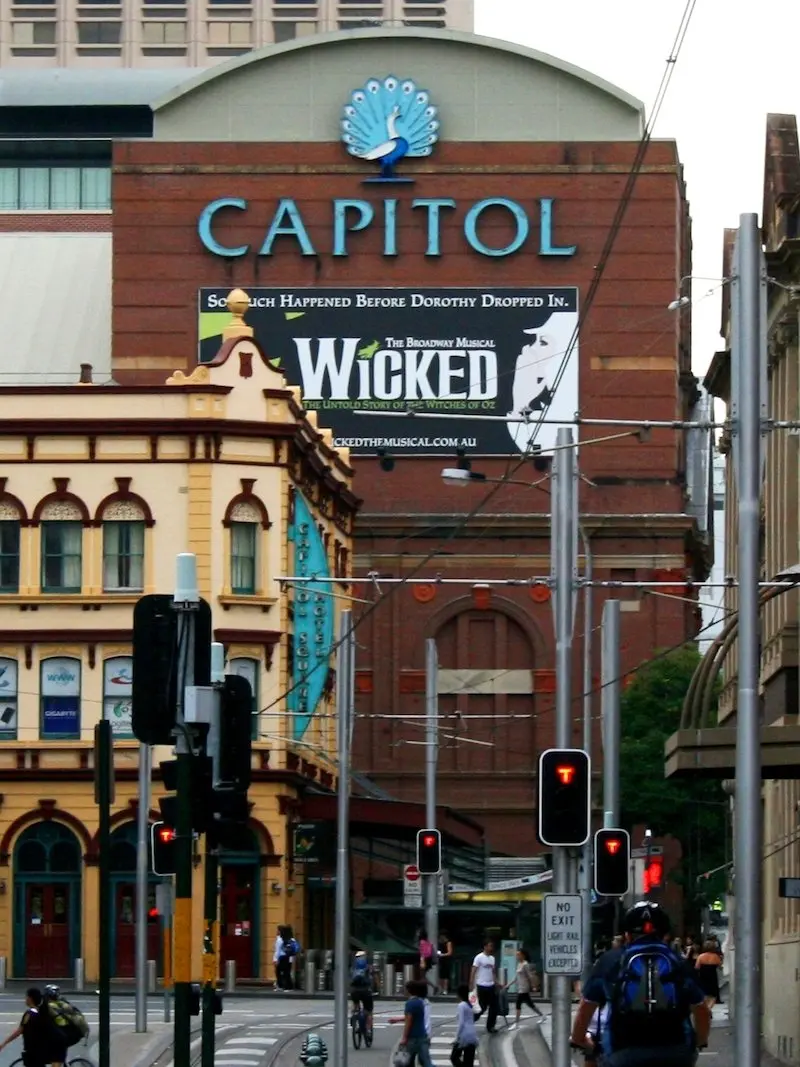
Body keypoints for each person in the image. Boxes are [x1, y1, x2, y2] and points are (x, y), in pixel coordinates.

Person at [570, 901, 711, 1066]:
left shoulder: (610, 961)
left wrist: (581, 1040)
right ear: (666, 935)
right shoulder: (679, 963)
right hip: (675, 1051)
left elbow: (585, 1009)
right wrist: (699, 1041)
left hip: (623, 1053)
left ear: (627, 935)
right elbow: (701, 1010)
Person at [0, 987, 67, 1067]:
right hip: (51, 1045)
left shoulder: (30, 1013)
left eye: (26, 997)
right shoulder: (42, 1010)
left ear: (30, 998)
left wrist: (4, 1043)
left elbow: (19, 1031)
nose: (25, 999)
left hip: (53, 1045)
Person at [397, 980, 434, 1067]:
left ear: (409, 991)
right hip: (423, 1036)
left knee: (406, 1062)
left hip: (412, 1038)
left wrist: (404, 1037)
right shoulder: (421, 1002)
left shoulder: (410, 1003)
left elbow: (409, 1021)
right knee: (426, 1062)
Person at [503, 947, 539, 1026]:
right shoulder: (519, 964)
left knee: (518, 1004)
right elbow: (516, 977)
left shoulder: (525, 964)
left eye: (519, 955)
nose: (517, 956)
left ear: (523, 955)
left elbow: (530, 976)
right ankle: (542, 1015)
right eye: (517, 955)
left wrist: (533, 986)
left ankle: (516, 1023)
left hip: (524, 987)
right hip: (520, 987)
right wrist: (508, 985)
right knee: (530, 1004)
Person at [469, 938, 498, 1033]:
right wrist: (471, 983)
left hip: (491, 985)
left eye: (492, 946)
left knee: (494, 1007)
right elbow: (473, 971)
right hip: (482, 985)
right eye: (489, 946)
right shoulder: (479, 957)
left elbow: (493, 972)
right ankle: (470, 1021)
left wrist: (496, 982)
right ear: (485, 946)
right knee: (482, 1007)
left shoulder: (492, 958)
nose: (491, 948)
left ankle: (490, 1026)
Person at [450, 983, 479, 1067]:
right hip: (472, 1034)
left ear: (459, 994)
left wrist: (456, 1037)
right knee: (469, 1061)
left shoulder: (461, 1005)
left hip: (464, 1035)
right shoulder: (469, 1005)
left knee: (454, 1057)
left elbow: (461, 1022)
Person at [350, 950, 374, 1036]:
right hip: (366, 991)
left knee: (355, 1003)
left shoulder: (353, 968)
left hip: (355, 991)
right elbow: (373, 978)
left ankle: (354, 1014)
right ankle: (368, 1030)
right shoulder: (369, 967)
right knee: (369, 1011)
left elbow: (350, 979)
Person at [694, 939, 722, 1008]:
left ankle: (706, 1008)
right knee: (713, 995)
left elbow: (697, 967)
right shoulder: (715, 956)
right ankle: (709, 1008)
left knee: (704, 994)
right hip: (713, 977)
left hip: (703, 977)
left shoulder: (701, 956)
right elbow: (720, 966)